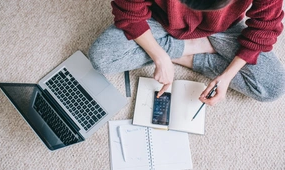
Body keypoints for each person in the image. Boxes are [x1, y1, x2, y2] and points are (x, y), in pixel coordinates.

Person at [88, 0, 285, 106]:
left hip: (223, 29)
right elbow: (129, 12)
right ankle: (193, 47)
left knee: (273, 86)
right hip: (159, 20)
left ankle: (187, 51)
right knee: (101, 58)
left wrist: (227, 76)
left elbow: (264, 29)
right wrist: (160, 56)